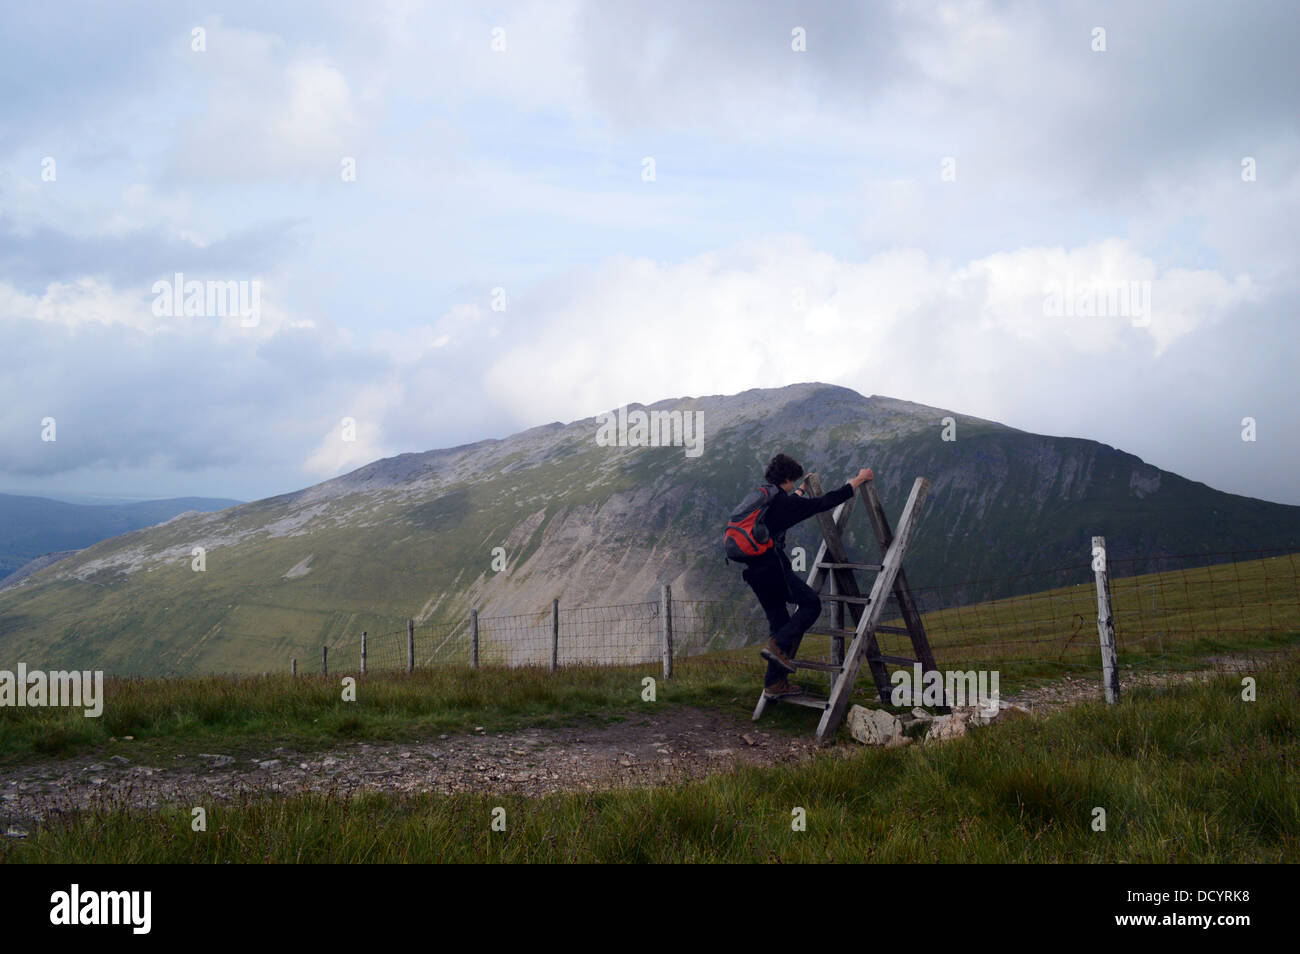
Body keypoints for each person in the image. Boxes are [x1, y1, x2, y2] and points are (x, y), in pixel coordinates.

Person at [741, 453, 874, 698]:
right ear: (789, 478)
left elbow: (787, 506)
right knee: (811, 604)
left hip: (753, 572)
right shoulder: (786, 504)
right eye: (794, 482)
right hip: (773, 569)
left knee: (779, 622)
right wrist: (857, 480)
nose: (795, 486)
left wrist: (801, 490)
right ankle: (777, 644)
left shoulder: (763, 497)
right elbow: (825, 502)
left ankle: (774, 684)